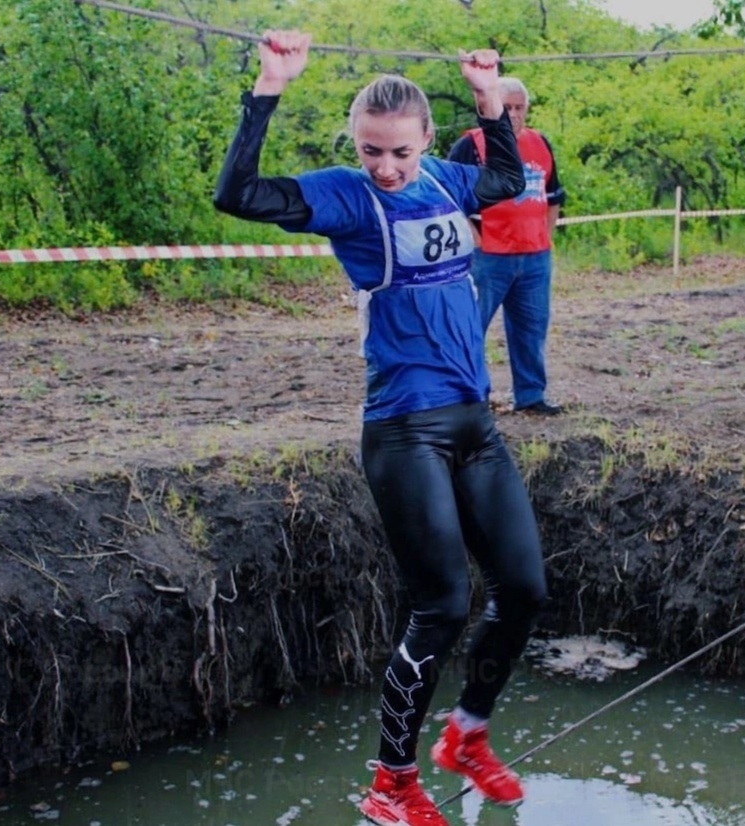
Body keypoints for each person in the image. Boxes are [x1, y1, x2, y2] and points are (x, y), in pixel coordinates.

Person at [213, 31, 548, 826]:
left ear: (426, 141)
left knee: (525, 590)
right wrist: (268, 87)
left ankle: (466, 733)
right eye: (372, 152)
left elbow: (505, 178)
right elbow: (239, 194)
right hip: (403, 429)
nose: (387, 168)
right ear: (356, 146)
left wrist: (488, 100)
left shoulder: (444, 180)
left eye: (399, 152)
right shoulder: (346, 195)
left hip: (474, 422)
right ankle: (391, 783)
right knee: (441, 603)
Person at [447, 77, 567, 416]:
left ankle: (530, 397)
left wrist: (546, 235)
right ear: (490, 107)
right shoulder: (471, 145)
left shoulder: (540, 142)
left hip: (534, 257)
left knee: (531, 329)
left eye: (518, 108)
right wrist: (475, 237)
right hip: (488, 257)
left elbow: (555, 195)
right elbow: (447, 196)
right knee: (470, 327)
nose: (513, 115)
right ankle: (469, 400)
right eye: (506, 108)